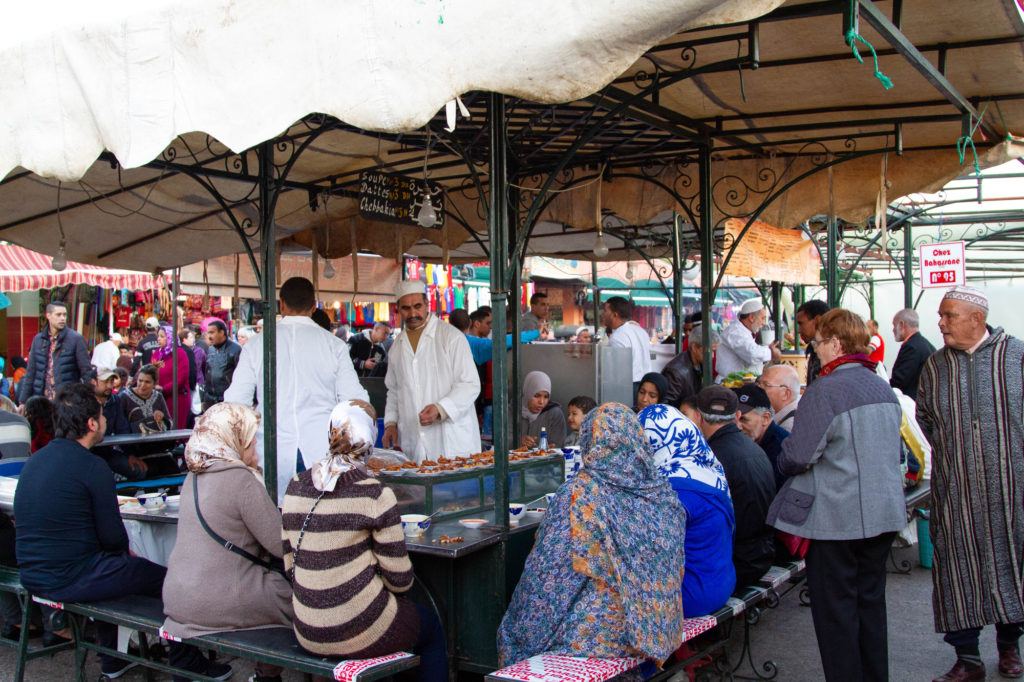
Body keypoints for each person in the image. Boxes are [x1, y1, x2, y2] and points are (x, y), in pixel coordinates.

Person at [14, 383, 229, 680]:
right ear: (91, 424)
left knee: (113, 568)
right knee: (170, 582)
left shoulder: (35, 461)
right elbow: (114, 539)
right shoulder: (93, 467)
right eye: (102, 416)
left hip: (33, 575)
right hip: (69, 578)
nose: (105, 422)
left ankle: (112, 660)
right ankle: (185, 661)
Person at [767, 307, 905, 682]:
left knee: (836, 617)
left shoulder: (826, 389)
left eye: (817, 343)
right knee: (870, 607)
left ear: (836, 343)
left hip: (837, 520)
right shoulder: (881, 386)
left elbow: (797, 455)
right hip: (883, 515)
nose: (815, 350)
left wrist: (780, 461)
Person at [498, 403, 685, 667]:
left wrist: (515, 636)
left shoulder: (580, 496)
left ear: (590, 442)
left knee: (517, 633)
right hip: (655, 629)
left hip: (600, 639)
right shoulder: (661, 494)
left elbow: (546, 582)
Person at [282, 401, 447, 682]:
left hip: (307, 628)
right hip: (359, 629)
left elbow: (290, 569)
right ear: (370, 439)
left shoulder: (295, 485)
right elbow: (400, 580)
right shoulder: (374, 494)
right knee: (431, 629)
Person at [916, 287, 1024, 681]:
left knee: (1013, 566)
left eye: (949, 315)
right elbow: (926, 420)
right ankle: (968, 659)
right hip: (956, 491)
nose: (940, 323)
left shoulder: (1016, 356)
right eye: (941, 315)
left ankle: (1010, 647)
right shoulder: (934, 366)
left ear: (977, 318)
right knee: (957, 573)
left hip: (1011, 491)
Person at [162, 403, 291, 682]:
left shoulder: (192, 476)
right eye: (250, 439)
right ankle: (267, 675)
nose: (255, 446)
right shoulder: (240, 479)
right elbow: (281, 545)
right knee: (304, 601)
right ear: (232, 438)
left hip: (177, 597)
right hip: (217, 601)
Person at [225, 277, 369, 499]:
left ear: (281, 304)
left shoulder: (257, 344)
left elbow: (236, 402)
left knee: (277, 524)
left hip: (272, 455)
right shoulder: (334, 346)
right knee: (317, 523)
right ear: (314, 306)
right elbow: (354, 401)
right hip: (320, 453)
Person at [639, 404, 736, 617]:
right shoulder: (706, 468)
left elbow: (650, 554)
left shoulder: (673, 490)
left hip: (690, 595)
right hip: (721, 581)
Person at [382, 281, 480, 462]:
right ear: (398, 310)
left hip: (450, 439)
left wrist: (441, 408)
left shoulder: (451, 337)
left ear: (427, 304)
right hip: (413, 440)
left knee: (454, 487)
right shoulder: (396, 347)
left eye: (417, 306)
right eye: (406, 308)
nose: (412, 313)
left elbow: (470, 384)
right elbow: (394, 390)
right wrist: (391, 423)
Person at [691, 385, 776, 586]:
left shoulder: (710, 458)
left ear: (698, 417)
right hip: (762, 554)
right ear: (737, 415)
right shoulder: (755, 448)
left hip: (737, 563)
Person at [18, 302, 92, 403]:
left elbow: (87, 372)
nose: (62, 318)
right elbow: (31, 373)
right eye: (58, 315)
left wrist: (86, 400)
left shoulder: (76, 339)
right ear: (48, 315)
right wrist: (23, 401)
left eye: (64, 315)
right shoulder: (38, 339)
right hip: (42, 401)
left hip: (67, 402)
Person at [732, 384, 790, 490]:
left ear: (765, 418)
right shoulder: (750, 441)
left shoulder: (782, 449)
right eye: (735, 419)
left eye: (743, 419)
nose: (738, 426)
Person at [715, 299, 780, 382]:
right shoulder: (735, 332)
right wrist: (771, 352)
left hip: (738, 382)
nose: (764, 323)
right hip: (729, 384)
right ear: (752, 318)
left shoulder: (743, 331)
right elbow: (752, 354)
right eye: (762, 318)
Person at [601, 296, 652, 393]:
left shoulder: (617, 337)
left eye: (605, 311)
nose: (603, 314)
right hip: (646, 382)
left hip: (629, 385)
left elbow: (616, 372)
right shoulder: (640, 331)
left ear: (614, 315)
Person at [662, 325, 717, 406]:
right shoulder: (675, 371)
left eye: (714, 351)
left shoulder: (699, 363)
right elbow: (667, 406)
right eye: (710, 351)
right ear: (694, 347)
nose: (712, 356)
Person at [889, 308, 935, 400]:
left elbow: (899, 382)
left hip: (912, 404)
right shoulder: (926, 344)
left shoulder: (911, 347)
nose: (893, 330)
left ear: (901, 325)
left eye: (894, 325)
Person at [153, 326, 191, 427]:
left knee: (176, 428)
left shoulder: (180, 353)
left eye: (162, 336)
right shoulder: (156, 354)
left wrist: (163, 388)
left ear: (170, 337)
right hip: (159, 398)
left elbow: (181, 379)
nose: (158, 339)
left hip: (177, 399)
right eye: (158, 336)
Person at [519, 371, 567, 448]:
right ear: (527, 393)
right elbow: (501, 441)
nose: (541, 402)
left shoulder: (554, 413)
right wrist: (518, 441)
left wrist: (551, 449)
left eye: (546, 397)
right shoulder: (512, 411)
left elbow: (558, 444)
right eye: (536, 395)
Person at [203, 320, 241, 412]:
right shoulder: (211, 349)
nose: (209, 336)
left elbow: (240, 376)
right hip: (210, 399)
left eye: (212, 332)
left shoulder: (235, 349)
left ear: (222, 332)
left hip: (227, 400)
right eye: (208, 333)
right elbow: (207, 372)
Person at [121, 364, 173, 433]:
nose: (142, 385)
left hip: (157, 441)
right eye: (140, 381)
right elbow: (120, 426)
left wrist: (162, 418)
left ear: (154, 384)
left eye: (147, 382)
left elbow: (170, 423)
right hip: (133, 442)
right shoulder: (125, 397)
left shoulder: (158, 396)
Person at [757, 364, 801, 432]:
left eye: (766, 385)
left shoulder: (789, 427)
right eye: (759, 383)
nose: (758, 388)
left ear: (785, 394)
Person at [795, 300, 829, 386]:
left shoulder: (830, 353)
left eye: (801, 323)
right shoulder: (813, 348)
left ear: (817, 320)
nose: (799, 330)